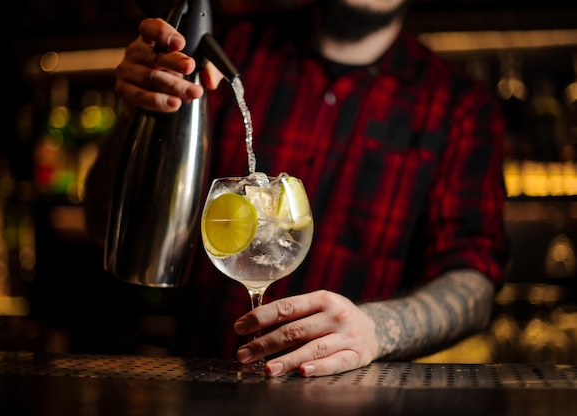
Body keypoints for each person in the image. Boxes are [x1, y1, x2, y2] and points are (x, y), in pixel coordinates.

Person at [84, 0, 509, 378]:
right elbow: (103, 224)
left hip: (353, 401)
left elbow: (473, 284)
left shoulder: (461, 107)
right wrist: (141, 114)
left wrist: (375, 329)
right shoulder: (224, 53)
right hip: (198, 388)